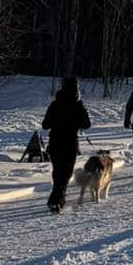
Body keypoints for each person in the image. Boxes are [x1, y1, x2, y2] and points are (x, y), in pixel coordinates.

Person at [42, 75, 92, 213]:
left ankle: (56, 199)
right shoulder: (78, 105)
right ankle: (57, 201)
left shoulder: (54, 104)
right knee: (65, 173)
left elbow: (45, 125)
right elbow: (87, 124)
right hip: (70, 143)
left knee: (57, 172)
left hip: (55, 142)